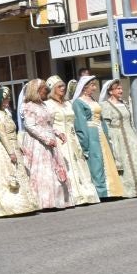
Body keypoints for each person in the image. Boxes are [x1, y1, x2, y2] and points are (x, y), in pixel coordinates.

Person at [0, 85, 39, 218]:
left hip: (13, 145)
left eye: (8, 99)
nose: (7, 102)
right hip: (4, 149)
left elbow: (12, 132)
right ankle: (7, 205)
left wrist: (19, 145)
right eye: (5, 99)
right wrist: (11, 152)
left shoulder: (6, 113)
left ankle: (24, 203)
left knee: (18, 173)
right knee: (7, 176)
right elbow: (3, 135)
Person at [97, 79, 137, 198]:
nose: (121, 90)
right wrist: (111, 140)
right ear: (110, 91)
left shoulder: (124, 103)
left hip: (130, 136)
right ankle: (127, 190)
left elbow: (130, 122)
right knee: (123, 163)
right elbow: (106, 125)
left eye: (121, 88)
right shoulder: (105, 106)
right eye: (118, 89)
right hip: (117, 136)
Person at [44, 77, 99, 206]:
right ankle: (70, 195)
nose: (63, 88)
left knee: (78, 162)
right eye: (59, 86)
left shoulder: (68, 103)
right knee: (66, 164)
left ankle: (85, 194)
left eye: (63, 86)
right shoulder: (48, 105)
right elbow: (48, 125)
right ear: (52, 90)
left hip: (72, 137)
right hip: (60, 139)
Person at [20, 79, 71, 210]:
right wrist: (46, 139)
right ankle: (43, 201)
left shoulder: (43, 105)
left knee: (53, 170)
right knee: (42, 172)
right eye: (43, 88)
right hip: (37, 143)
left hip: (49, 141)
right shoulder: (28, 106)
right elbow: (30, 125)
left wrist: (58, 133)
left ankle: (56, 200)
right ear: (35, 90)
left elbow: (48, 124)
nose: (46, 91)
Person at [71, 76, 123, 199]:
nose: (95, 88)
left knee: (106, 160)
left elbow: (101, 118)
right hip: (90, 133)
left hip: (100, 132)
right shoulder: (79, 102)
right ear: (85, 87)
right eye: (92, 85)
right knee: (96, 162)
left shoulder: (93, 100)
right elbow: (80, 123)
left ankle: (111, 190)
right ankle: (101, 192)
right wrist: (84, 142)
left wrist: (106, 132)